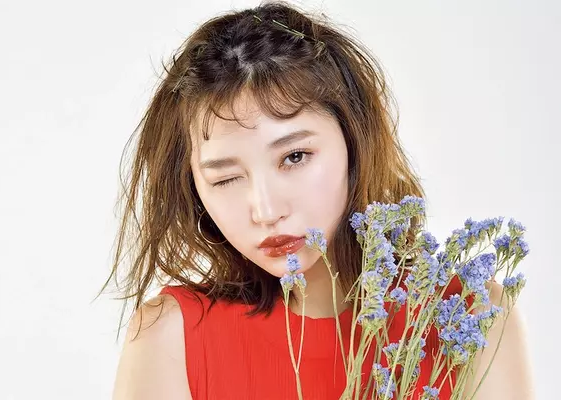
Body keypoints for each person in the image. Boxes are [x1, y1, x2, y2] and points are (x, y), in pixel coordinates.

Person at [104, 2, 533, 399]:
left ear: (353, 142)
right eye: (227, 178)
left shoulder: (472, 318)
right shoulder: (172, 337)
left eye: (294, 157)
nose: (266, 211)